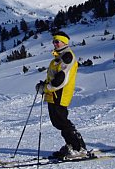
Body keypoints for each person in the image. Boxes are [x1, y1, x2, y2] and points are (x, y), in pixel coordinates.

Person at [35, 31, 87, 160]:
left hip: (60, 94)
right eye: (53, 41)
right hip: (54, 95)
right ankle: (73, 145)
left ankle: (77, 148)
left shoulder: (67, 57)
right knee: (58, 122)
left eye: (57, 41)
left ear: (64, 42)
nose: (55, 44)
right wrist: (44, 85)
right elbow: (54, 77)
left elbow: (61, 80)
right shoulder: (59, 57)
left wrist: (46, 88)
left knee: (62, 122)